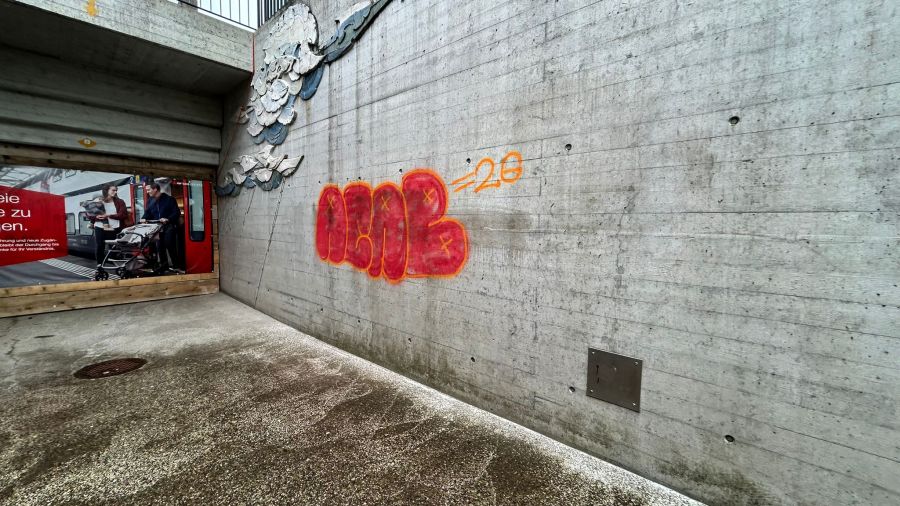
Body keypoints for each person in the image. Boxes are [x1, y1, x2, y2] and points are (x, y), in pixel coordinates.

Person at [141, 183, 181, 272]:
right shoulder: (150, 200)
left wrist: (168, 219)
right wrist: (143, 218)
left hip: (169, 226)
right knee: (160, 247)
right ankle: (164, 267)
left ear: (155, 189)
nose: (147, 192)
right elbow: (148, 212)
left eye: (149, 190)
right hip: (157, 228)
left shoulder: (169, 199)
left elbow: (176, 212)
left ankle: (176, 266)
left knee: (170, 245)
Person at [88, 184, 128, 266]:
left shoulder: (120, 202)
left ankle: (117, 266)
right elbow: (89, 213)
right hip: (100, 227)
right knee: (100, 246)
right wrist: (96, 217)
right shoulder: (99, 200)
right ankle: (100, 266)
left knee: (114, 248)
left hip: (114, 228)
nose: (115, 192)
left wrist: (109, 215)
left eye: (116, 190)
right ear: (106, 191)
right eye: (113, 190)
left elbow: (123, 215)